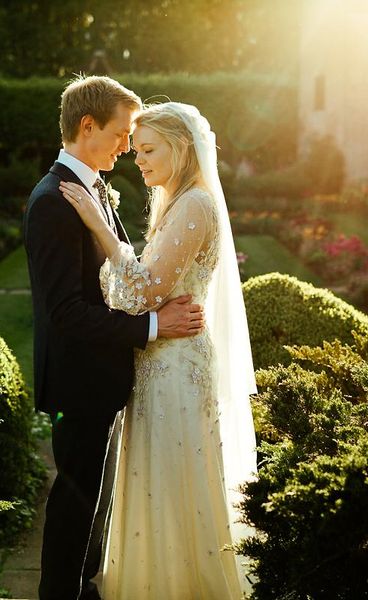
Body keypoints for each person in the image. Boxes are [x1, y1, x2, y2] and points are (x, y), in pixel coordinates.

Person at [59, 101, 257, 599]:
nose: (138, 159)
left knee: (173, 484)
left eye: (148, 150)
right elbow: (136, 291)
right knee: (155, 484)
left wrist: (101, 232)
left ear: (182, 147)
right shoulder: (175, 200)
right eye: (136, 149)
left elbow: (138, 295)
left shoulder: (194, 204)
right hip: (158, 361)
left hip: (175, 369)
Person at [23, 76, 204, 600]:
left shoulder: (93, 188)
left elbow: (121, 273)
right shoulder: (55, 201)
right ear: (87, 126)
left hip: (101, 377)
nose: (128, 146)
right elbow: (66, 314)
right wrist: (152, 326)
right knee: (75, 500)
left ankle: (84, 586)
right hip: (79, 381)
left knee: (93, 498)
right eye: (122, 134)